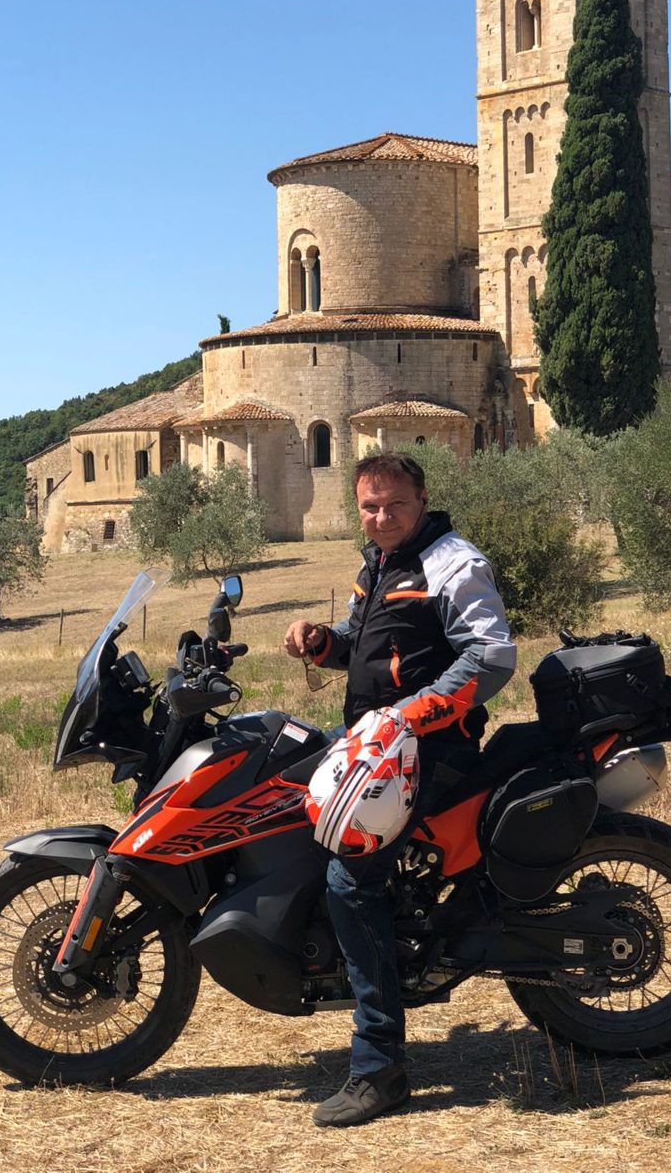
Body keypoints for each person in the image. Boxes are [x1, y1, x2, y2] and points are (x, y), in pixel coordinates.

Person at [283, 452, 516, 1128]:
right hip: (382, 741)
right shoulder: (382, 563)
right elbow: (368, 644)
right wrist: (323, 641)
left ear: (421, 500)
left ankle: (378, 1066)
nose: (381, 516)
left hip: (429, 747)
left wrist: (417, 712)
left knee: (351, 879)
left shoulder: (452, 561)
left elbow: (492, 654)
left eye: (394, 505)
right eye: (369, 506)